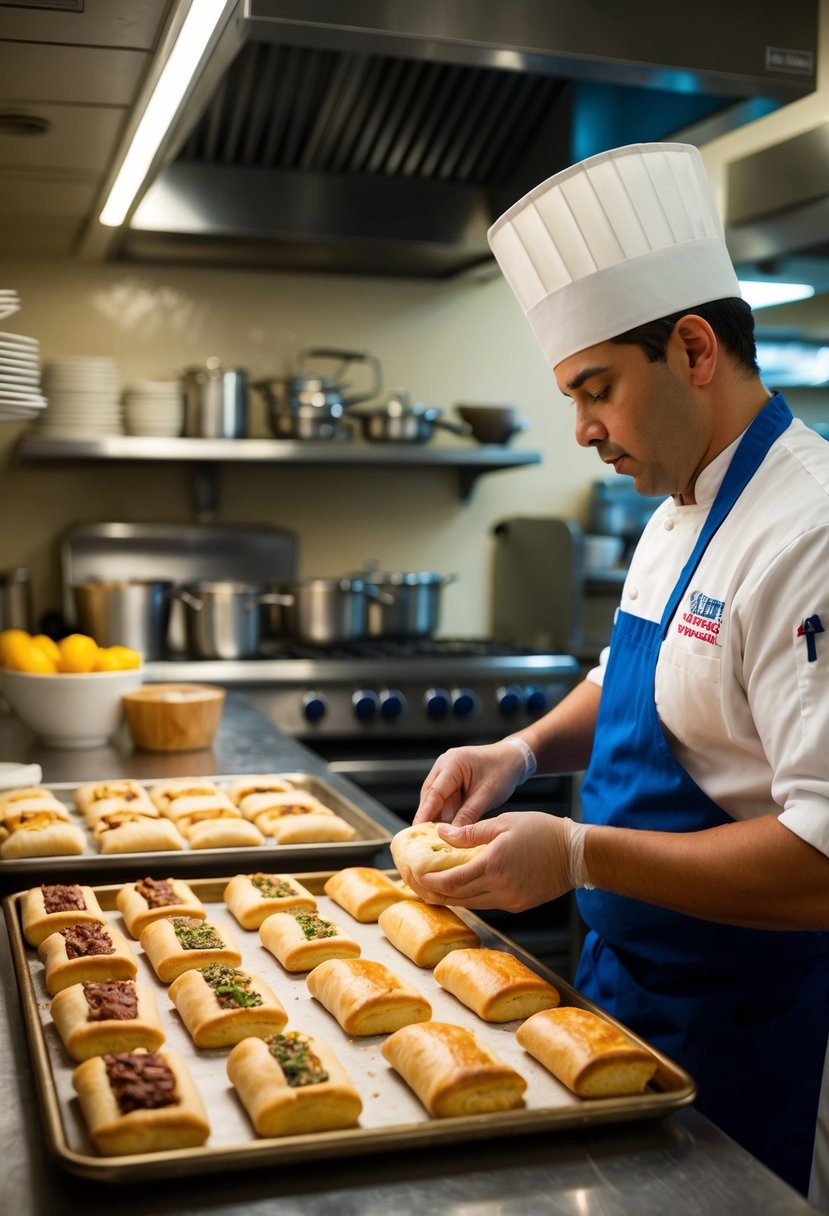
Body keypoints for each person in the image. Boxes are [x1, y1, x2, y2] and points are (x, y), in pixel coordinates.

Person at [411, 142, 829, 1205]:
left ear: (693, 348)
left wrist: (582, 851)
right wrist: (519, 750)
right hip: (620, 989)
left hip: (751, 1020)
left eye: (594, 389)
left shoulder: (809, 529)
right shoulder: (673, 503)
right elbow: (629, 683)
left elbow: (822, 861)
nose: (584, 429)